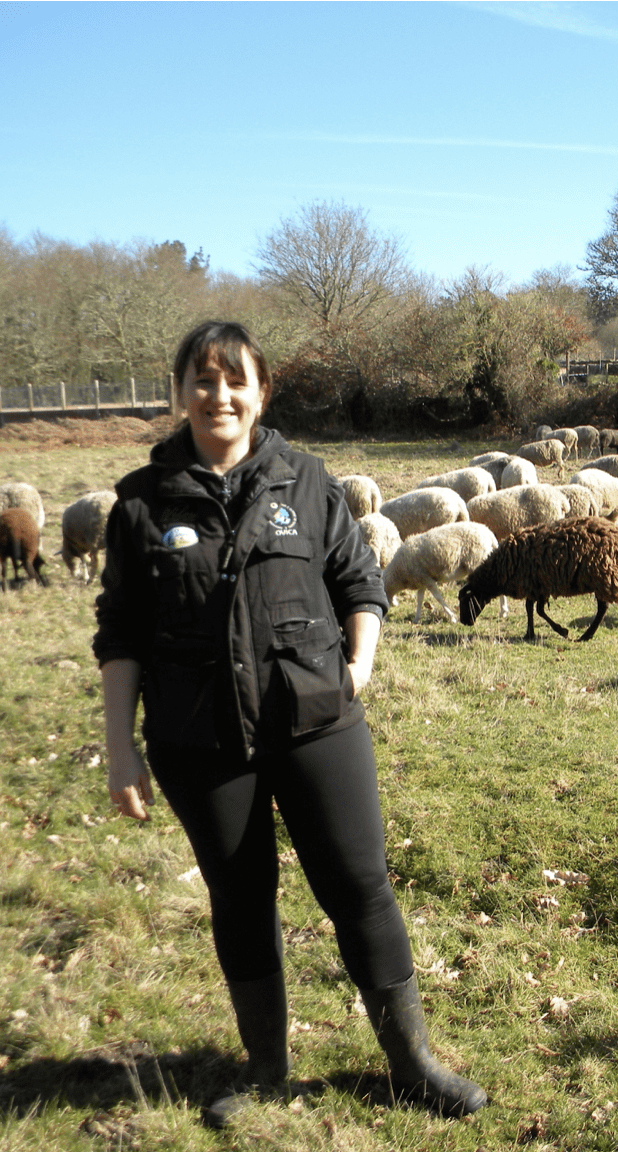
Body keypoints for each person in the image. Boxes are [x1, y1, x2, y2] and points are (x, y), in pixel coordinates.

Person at [94, 320, 486, 1128]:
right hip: (199, 739)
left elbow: (361, 581)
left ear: (261, 392)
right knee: (241, 898)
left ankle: (411, 1063)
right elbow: (121, 632)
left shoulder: (305, 481)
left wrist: (360, 664)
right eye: (202, 381)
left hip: (317, 723)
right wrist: (118, 749)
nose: (220, 396)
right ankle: (268, 1070)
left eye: (236, 380)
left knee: (361, 887)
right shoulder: (140, 502)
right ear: (180, 394)